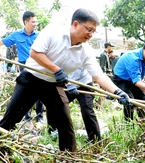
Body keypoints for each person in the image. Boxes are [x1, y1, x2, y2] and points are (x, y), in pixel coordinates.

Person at [0, 8, 130, 152]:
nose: (91, 34)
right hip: (31, 79)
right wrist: (56, 69)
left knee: (65, 123)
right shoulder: (53, 31)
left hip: (53, 85)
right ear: (75, 24)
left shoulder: (85, 51)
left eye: (93, 31)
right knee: (11, 118)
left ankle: (68, 156)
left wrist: (117, 92)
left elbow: (98, 75)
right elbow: (35, 53)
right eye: (89, 29)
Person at [0, 11, 44, 123]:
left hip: (38, 65)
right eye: (33, 21)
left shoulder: (40, 36)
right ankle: (27, 117)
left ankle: (40, 116)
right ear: (26, 22)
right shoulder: (16, 35)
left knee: (40, 91)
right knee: (25, 91)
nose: (35, 24)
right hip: (24, 66)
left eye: (36, 21)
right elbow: (2, 42)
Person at [112, 39, 145, 121]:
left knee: (143, 102)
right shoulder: (133, 58)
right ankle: (129, 124)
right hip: (121, 80)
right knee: (129, 101)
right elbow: (137, 81)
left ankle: (142, 121)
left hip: (134, 81)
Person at [47, 68, 101, 142]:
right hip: (65, 83)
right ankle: (53, 132)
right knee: (53, 104)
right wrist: (68, 84)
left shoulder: (85, 57)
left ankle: (95, 139)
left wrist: (111, 90)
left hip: (84, 84)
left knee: (87, 109)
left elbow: (98, 75)